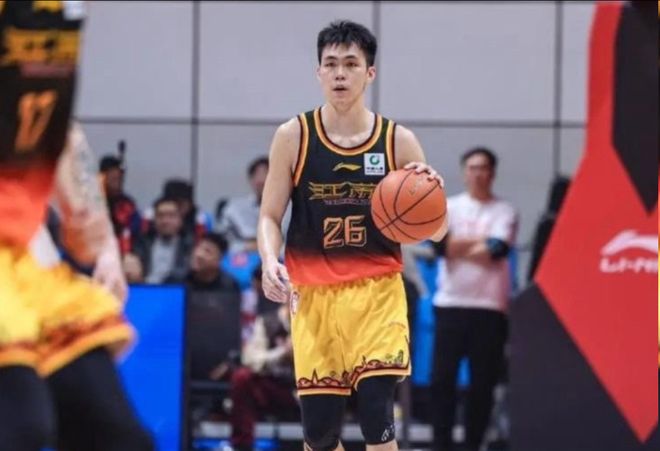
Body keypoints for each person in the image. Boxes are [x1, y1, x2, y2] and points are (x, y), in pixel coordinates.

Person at [257, 20, 447, 451]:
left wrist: (434, 197)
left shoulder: (398, 141)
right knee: (320, 436)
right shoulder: (293, 136)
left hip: (377, 293)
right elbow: (269, 215)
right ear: (318, 73)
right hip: (314, 297)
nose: (340, 73)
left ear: (369, 73)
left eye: (350, 64)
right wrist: (269, 260)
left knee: (377, 417)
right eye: (330, 64)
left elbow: (439, 231)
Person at [430, 147, 518, 451]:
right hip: (450, 305)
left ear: (492, 173)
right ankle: (440, 445)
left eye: (483, 168)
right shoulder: (448, 208)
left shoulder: (504, 211)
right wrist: (476, 242)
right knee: (442, 382)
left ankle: (473, 445)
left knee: (482, 385)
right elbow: (440, 248)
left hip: (489, 309)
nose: (478, 174)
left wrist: (457, 245)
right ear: (464, 172)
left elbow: (497, 249)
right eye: (472, 168)